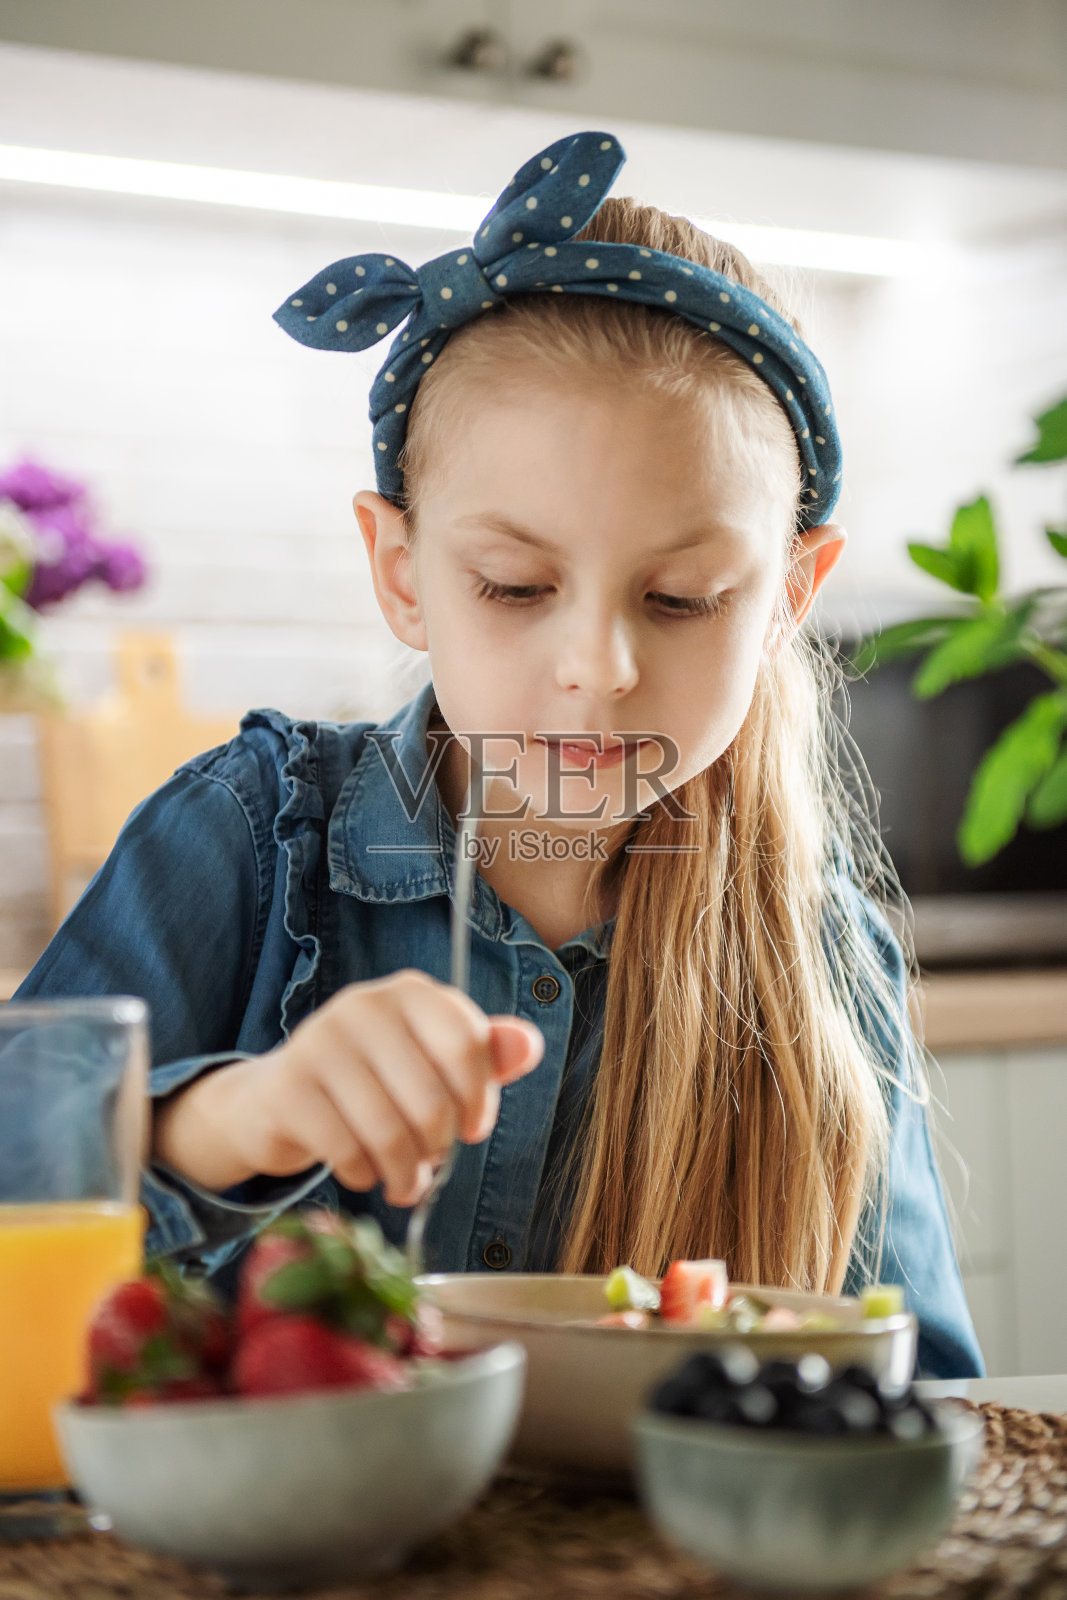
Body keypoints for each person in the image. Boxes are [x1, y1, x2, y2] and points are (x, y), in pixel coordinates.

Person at [15, 131, 982, 1378]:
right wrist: (216, 1124)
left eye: (682, 597)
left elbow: (931, 1395)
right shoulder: (243, 839)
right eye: (516, 586)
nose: (599, 666)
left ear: (791, 594)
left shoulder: (822, 953)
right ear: (402, 573)